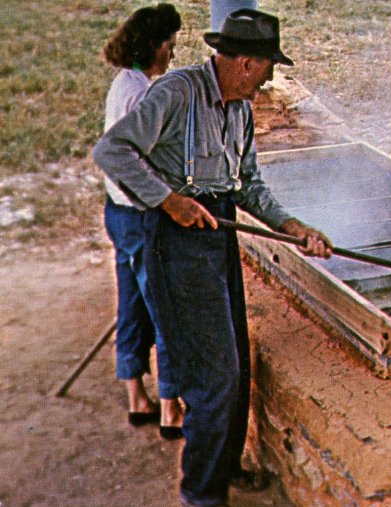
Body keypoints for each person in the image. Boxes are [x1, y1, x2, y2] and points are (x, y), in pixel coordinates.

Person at [93, 9, 332, 507]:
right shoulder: (177, 92)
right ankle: (201, 494)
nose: (270, 79)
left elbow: (250, 187)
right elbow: (112, 151)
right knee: (213, 376)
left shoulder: (241, 110)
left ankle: (221, 471)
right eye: (269, 67)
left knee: (236, 366)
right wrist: (168, 200)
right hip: (174, 241)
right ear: (245, 62)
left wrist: (294, 228)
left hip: (216, 235)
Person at [101, 3, 184, 439]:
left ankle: (137, 397)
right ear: (155, 46)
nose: (172, 53)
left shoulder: (124, 83)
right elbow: (137, 160)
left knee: (131, 305)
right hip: (138, 215)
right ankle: (171, 407)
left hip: (116, 210)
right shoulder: (141, 95)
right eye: (170, 45)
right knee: (166, 307)